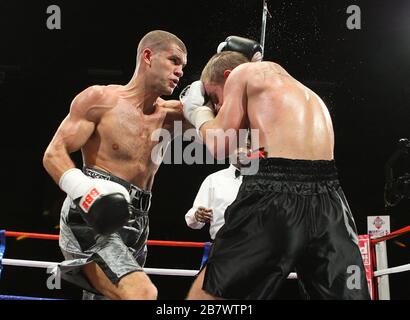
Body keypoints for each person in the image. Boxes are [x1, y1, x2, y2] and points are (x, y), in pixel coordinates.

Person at [182, 37, 371, 300]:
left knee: (207, 298)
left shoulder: (241, 74)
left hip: (274, 195)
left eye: (215, 97)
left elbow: (219, 144)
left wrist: (197, 112)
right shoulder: (304, 92)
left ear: (228, 74)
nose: (217, 108)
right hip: (331, 202)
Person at [43, 30, 187, 300]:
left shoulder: (173, 115)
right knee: (141, 294)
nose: (179, 71)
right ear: (148, 56)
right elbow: (54, 154)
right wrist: (86, 192)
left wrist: (241, 68)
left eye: (182, 66)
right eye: (174, 61)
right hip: (95, 215)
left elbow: (226, 118)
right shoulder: (101, 100)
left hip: (140, 221)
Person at [185, 158, 243, 241]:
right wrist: (198, 216)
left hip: (257, 246)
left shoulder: (264, 179)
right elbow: (192, 219)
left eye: (248, 146)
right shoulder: (213, 179)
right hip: (222, 246)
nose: (242, 151)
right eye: (237, 146)